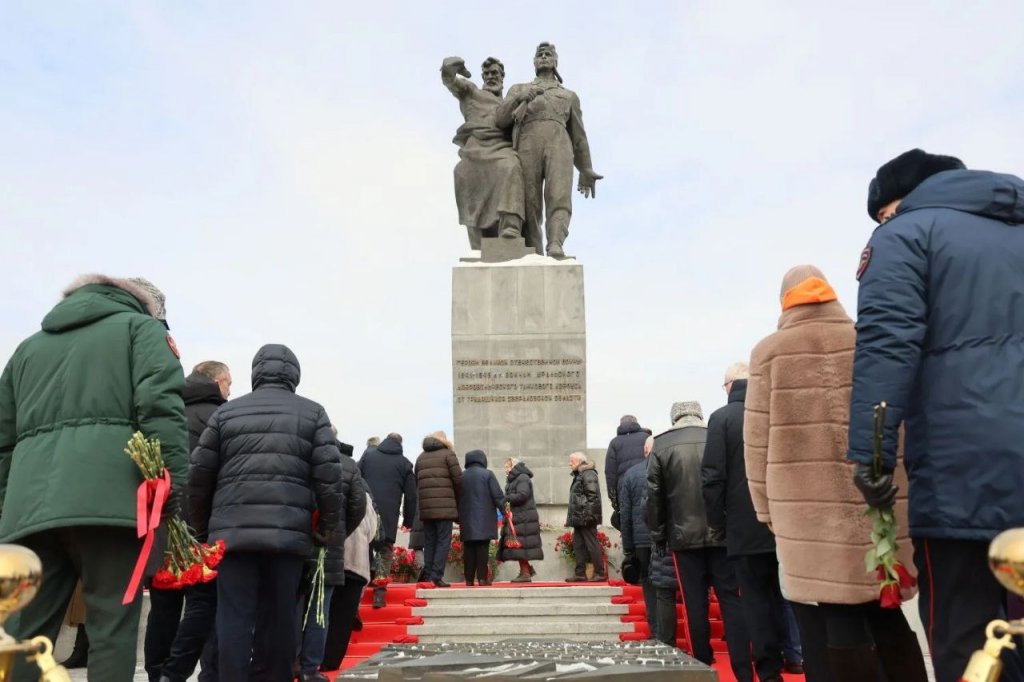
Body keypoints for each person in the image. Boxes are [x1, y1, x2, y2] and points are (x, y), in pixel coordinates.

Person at [849, 149, 1024, 682]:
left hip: (963, 466)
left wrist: (872, 456)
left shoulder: (905, 235)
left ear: (895, 203)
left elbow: (886, 345)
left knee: (967, 637)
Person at [0, 275, 187, 682]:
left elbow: (3, 440)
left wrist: (6, 507)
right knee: (112, 629)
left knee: (26, 634)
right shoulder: (143, 331)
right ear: (150, 308)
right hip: (112, 505)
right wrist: (171, 484)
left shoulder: (27, 349)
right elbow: (161, 408)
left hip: (29, 510)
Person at [746, 265, 928, 682]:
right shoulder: (867, 340)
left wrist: (765, 510)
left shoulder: (769, 353)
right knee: (887, 609)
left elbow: (755, 444)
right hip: (878, 502)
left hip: (806, 510)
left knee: (836, 615)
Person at [188, 344, 345, 682]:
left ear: (255, 373)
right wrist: (327, 529)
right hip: (286, 537)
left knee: (233, 617)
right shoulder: (313, 413)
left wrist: (202, 531)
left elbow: (199, 477)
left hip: (231, 538)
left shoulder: (226, 414)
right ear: (294, 375)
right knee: (280, 618)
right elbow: (330, 480)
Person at [647, 401, 754, 682]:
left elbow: (655, 496)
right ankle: (743, 665)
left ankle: (702, 661)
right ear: (699, 415)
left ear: (674, 417)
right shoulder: (714, 435)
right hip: (723, 534)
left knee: (695, 604)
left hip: (684, 537)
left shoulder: (662, 444)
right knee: (731, 599)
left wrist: (658, 534)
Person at [702, 362, 792, 680]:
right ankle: (793, 656)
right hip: (783, 523)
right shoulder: (773, 412)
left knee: (754, 599)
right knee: (786, 596)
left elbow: (712, 477)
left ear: (730, 385)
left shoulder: (721, 419)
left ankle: (769, 671)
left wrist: (717, 524)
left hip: (743, 527)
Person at [147, 361, 232, 682]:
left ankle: (156, 673)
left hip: (162, 518)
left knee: (163, 604)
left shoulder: (166, 412)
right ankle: (175, 673)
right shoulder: (219, 416)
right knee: (203, 602)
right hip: (200, 523)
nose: (230, 391)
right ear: (218, 381)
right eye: (229, 383)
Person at [494, 42, 602, 257]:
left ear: (555, 62)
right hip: (527, 142)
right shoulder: (518, 88)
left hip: (559, 144)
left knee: (559, 195)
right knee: (529, 199)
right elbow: (501, 119)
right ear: (534, 62)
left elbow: (579, 136)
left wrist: (586, 169)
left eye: (548, 54)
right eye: (539, 55)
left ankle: (555, 244)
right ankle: (532, 250)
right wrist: (520, 97)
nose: (544, 57)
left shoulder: (569, 96)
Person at [294, 426, 367, 682]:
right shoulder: (348, 465)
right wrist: (338, 532)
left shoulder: (300, 457)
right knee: (319, 609)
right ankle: (310, 669)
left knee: (294, 605)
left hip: (297, 545)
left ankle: (291, 662)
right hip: (329, 548)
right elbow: (359, 506)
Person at [441, 56, 525, 249]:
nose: (490, 77)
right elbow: (449, 81)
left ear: (502, 77)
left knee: (511, 166)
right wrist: (451, 66)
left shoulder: (511, 103)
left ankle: (510, 227)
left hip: (502, 148)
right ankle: (477, 238)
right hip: (475, 149)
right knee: (462, 171)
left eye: (494, 73)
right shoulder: (471, 92)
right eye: (486, 74)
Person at [320, 488, 378, 673]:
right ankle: (331, 661)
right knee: (343, 617)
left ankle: (312, 657)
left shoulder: (323, 485)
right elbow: (372, 528)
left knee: (321, 611)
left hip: (326, 558)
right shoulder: (363, 493)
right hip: (355, 559)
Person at [359, 432, 416, 608]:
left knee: (364, 549)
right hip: (389, 515)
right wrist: (408, 520)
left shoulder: (368, 457)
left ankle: (359, 592)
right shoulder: (404, 463)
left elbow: (355, 480)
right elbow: (412, 496)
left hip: (366, 511)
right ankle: (379, 595)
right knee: (384, 552)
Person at [619, 436, 661, 639]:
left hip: (641, 540)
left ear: (645, 449)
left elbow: (625, 513)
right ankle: (666, 632)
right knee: (665, 584)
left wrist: (628, 546)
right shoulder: (666, 468)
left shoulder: (630, 474)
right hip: (664, 537)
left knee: (648, 583)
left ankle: (655, 631)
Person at [414, 431, 463, 587]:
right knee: (443, 541)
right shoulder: (448, 454)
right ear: (444, 441)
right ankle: (436, 575)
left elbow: (417, 481)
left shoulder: (420, 457)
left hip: (426, 508)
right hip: (445, 508)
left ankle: (428, 575)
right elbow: (458, 480)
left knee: (429, 542)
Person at [457, 449, 505, 586]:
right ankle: (483, 578)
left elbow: (456, 497)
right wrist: (505, 511)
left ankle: (469, 579)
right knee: (482, 548)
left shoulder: (461, 476)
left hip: (466, 518)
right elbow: (497, 495)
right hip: (485, 518)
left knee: (468, 548)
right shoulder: (488, 474)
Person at [497, 458, 543, 583]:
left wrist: (506, 498)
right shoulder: (515, 479)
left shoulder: (522, 477)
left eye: (507, 466)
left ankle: (526, 573)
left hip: (524, 518)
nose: (505, 469)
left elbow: (523, 495)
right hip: (519, 517)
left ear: (514, 466)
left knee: (519, 545)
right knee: (518, 546)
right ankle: (526, 570)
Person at [565, 452, 605, 582]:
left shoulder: (588, 473)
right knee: (578, 545)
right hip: (579, 517)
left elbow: (592, 496)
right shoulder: (580, 474)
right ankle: (580, 573)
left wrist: (589, 515)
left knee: (592, 544)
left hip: (586, 517)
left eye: (572, 461)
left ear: (579, 461)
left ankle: (599, 573)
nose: (569, 463)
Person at [604, 415, 647, 531]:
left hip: (624, 490)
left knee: (628, 526)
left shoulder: (614, 443)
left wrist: (614, 500)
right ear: (637, 423)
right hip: (645, 487)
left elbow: (610, 473)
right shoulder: (647, 438)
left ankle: (630, 548)